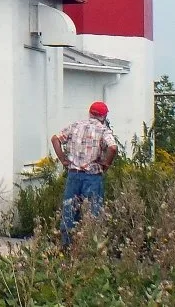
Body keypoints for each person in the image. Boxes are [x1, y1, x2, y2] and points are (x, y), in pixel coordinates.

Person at [51, 101, 118, 247]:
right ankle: (89, 245)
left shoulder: (75, 125)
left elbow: (55, 139)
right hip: (93, 176)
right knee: (93, 211)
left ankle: (66, 246)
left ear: (90, 112)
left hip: (73, 174)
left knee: (69, 210)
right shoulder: (103, 130)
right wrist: (106, 164)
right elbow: (112, 148)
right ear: (104, 116)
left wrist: (63, 159)